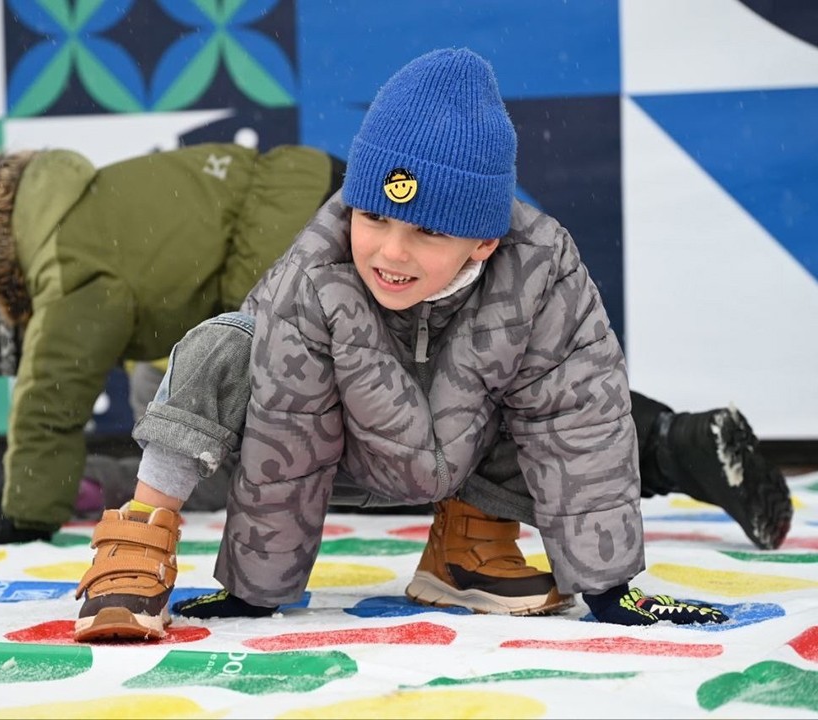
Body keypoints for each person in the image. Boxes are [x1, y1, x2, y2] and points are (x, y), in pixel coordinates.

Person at [71, 48, 748, 643]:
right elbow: (289, 426)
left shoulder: (542, 276)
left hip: (455, 449)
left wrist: (611, 589)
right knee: (224, 344)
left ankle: (471, 549)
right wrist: (256, 587)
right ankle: (138, 540)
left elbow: (579, 425)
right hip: (324, 453)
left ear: (482, 241)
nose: (390, 253)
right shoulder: (316, 272)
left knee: (560, 390)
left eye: (426, 232)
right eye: (375, 217)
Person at [0, 142, 346, 542]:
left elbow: (49, 393)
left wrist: (26, 512)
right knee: (176, 414)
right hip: (308, 193)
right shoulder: (69, 209)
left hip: (289, 229)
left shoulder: (65, 266)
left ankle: (383, 483)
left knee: (257, 449)